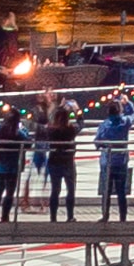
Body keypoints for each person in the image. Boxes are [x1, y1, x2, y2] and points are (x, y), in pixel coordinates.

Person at [93, 96, 134, 228]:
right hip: (121, 161)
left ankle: (105, 215)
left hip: (107, 162)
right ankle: (123, 217)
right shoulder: (125, 122)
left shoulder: (104, 125)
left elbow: (97, 142)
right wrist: (128, 103)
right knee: (121, 191)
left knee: (107, 191)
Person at [0, 98, 26, 228]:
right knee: (10, 192)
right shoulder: (18, 132)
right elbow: (28, 143)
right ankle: (5, 216)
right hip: (13, 166)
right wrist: (24, 130)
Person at [44, 93, 79, 227]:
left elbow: (49, 123)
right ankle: (70, 216)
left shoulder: (51, 130)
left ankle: (53, 217)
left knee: (55, 190)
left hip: (54, 161)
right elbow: (81, 123)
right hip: (68, 161)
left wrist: (58, 108)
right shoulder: (71, 129)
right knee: (70, 189)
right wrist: (76, 110)